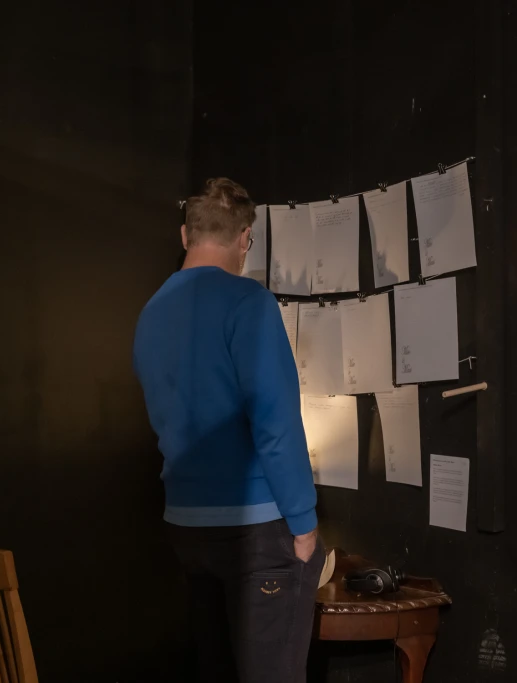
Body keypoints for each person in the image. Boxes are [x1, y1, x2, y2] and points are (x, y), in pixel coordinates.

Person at [133, 178, 322, 683]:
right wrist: (303, 525)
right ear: (244, 239)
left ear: (185, 235)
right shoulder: (249, 302)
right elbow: (276, 422)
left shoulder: (150, 313)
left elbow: (165, 416)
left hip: (185, 525)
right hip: (254, 528)